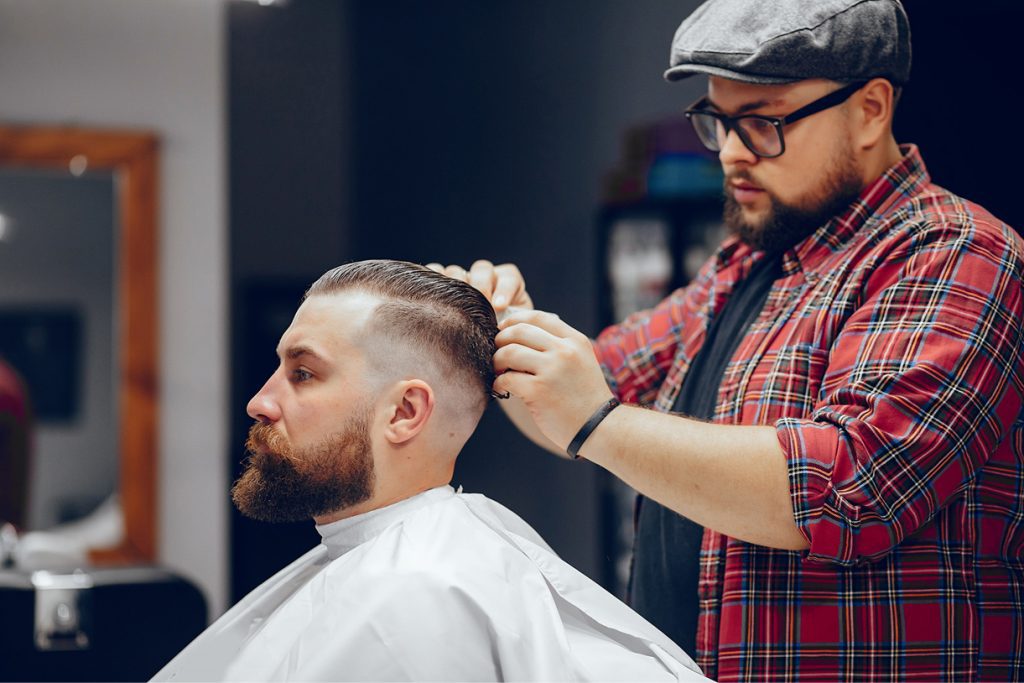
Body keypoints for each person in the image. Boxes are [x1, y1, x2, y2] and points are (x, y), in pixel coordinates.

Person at [431, 0, 1024, 680]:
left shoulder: (956, 253)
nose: (734, 153)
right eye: (717, 121)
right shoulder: (743, 264)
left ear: (871, 109)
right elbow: (584, 392)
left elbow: (851, 488)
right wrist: (491, 326)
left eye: (766, 123)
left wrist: (597, 419)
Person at [153, 260, 705, 682]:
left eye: (302, 372)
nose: (259, 401)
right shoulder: (404, 566)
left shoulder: (425, 591)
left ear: (405, 412)